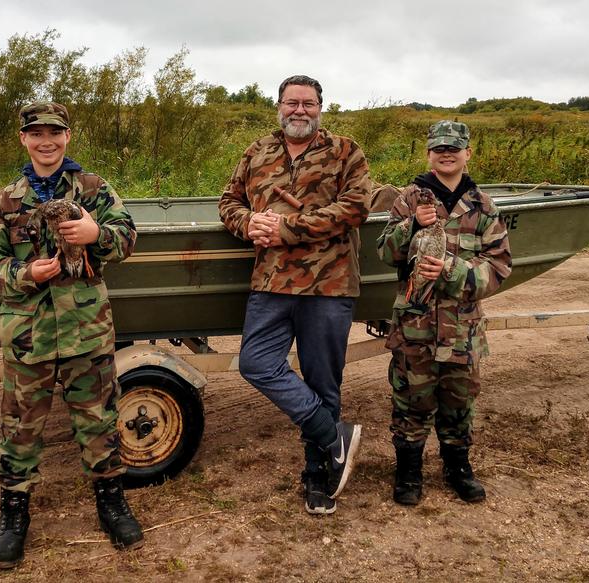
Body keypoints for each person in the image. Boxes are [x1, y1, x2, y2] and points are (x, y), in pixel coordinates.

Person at [0, 101, 143, 569]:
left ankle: (112, 502)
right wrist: (28, 272)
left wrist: (95, 233)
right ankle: (13, 515)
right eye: (36, 133)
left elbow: (127, 236)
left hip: (86, 330)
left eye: (54, 132)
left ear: (67, 136)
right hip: (28, 334)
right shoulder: (5, 200)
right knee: (20, 428)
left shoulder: (92, 188)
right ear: (23, 139)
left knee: (98, 421)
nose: (46, 141)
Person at [218, 75, 372, 515]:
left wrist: (286, 228)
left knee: (324, 380)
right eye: (291, 103)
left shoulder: (346, 151)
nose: (299, 110)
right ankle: (332, 435)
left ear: (321, 107)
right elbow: (228, 200)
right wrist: (246, 223)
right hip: (271, 282)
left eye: (308, 103)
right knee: (256, 363)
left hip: (329, 285)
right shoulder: (258, 151)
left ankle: (317, 476)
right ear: (279, 106)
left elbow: (355, 208)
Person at [376, 120, 511, 506]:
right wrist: (410, 227)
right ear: (429, 154)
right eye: (439, 148)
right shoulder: (410, 199)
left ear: (468, 153)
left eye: (454, 148)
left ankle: (458, 469)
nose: (447, 153)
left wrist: (453, 271)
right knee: (410, 403)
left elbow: (499, 267)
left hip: (462, 329)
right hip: (415, 327)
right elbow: (385, 252)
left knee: (458, 404)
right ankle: (408, 472)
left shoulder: (483, 206)